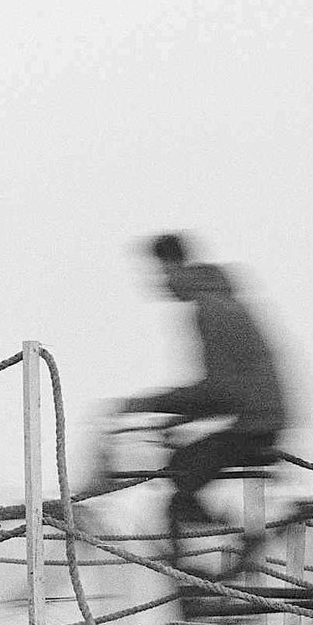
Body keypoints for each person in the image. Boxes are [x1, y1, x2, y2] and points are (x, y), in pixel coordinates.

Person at [110, 233, 291, 596]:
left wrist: (146, 405)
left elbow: (218, 390)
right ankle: (220, 564)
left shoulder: (210, 310)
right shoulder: (218, 301)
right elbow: (223, 389)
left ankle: (208, 582)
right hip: (260, 416)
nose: (158, 282)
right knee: (185, 473)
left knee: (181, 472)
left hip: (257, 423)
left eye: (160, 272)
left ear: (173, 267)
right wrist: (178, 416)